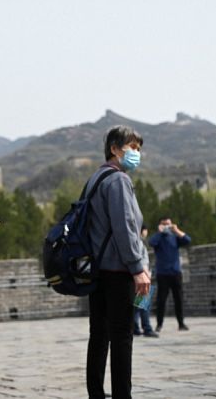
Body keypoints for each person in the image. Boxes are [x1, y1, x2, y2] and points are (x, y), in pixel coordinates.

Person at [84, 125, 150, 399]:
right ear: (114, 148)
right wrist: (138, 268)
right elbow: (124, 227)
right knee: (122, 338)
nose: (136, 154)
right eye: (132, 148)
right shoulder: (119, 180)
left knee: (99, 336)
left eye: (138, 149)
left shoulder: (96, 178)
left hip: (98, 270)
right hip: (119, 270)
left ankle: (96, 394)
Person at [148, 217, 191, 332]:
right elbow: (151, 242)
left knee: (179, 299)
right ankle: (159, 324)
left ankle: (181, 323)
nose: (167, 226)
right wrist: (160, 232)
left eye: (169, 224)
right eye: (165, 224)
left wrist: (176, 230)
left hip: (175, 272)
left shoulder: (175, 237)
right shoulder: (159, 238)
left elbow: (187, 240)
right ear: (160, 225)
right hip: (162, 273)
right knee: (161, 300)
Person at [134, 226, 158, 338]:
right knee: (143, 305)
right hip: (142, 277)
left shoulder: (135, 242)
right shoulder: (138, 243)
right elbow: (140, 261)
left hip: (136, 276)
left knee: (137, 306)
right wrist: (146, 274)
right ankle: (147, 328)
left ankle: (135, 328)